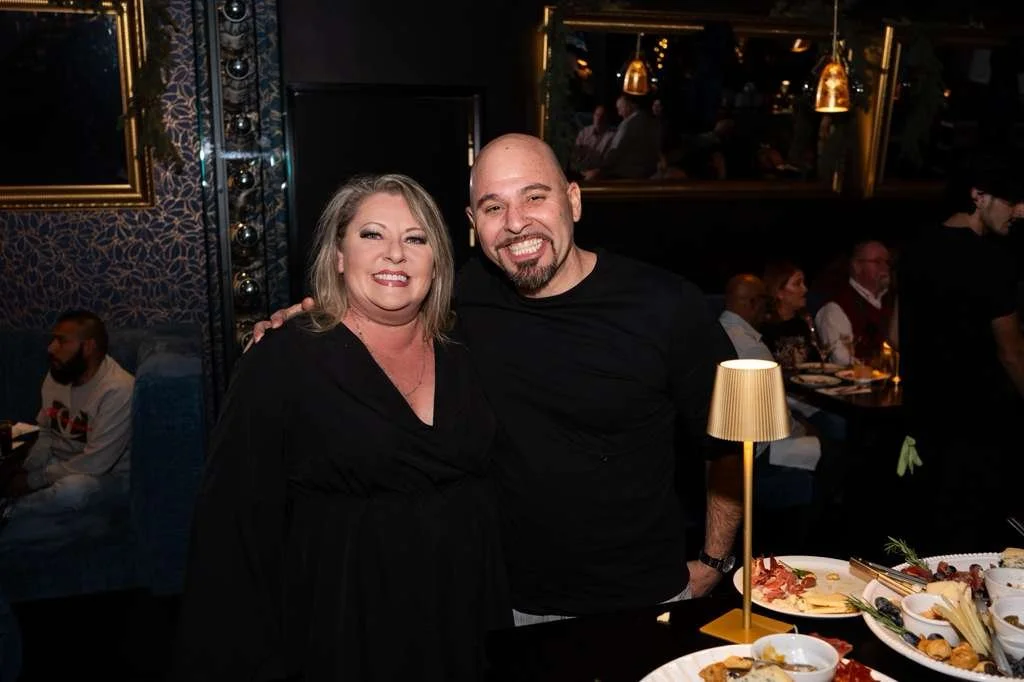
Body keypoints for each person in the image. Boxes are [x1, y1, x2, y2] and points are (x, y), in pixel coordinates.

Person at [255, 134, 742, 625]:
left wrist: (715, 560)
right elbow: (379, 309)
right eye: (493, 207)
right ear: (473, 225)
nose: (515, 222)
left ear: (573, 200)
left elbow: (729, 441)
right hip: (507, 603)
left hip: (646, 598)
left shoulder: (665, 304)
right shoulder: (462, 299)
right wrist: (304, 319)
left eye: (535, 196)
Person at [173, 174, 510, 681]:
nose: (395, 254)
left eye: (415, 239)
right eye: (372, 235)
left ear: (437, 261)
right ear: (337, 255)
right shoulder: (283, 360)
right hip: (343, 631)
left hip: (462, 621)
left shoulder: (468, 348)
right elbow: (231, 531)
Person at [898, 151, 1024, 553]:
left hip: (925, 418)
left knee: (930, 533)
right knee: (976, 538)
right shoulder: (993, 260)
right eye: (1011, 200)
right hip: (979, 421)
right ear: (978, 195)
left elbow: (896, 333)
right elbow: (1011, 352)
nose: (1019, 211)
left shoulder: (915, 248)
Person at [0, 311, 133, 538]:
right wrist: (28, 465)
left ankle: (11, 512)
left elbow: (96, 463)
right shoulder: (58, 374)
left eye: (61, 340)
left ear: (88, 346)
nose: (50, 348)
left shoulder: (118, 390)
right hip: (59, 462)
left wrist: (33, 480)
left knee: (74, 491)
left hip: (105, 476)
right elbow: (45, 430)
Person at [815, 241, 895, 366]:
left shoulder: (891, 300)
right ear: (857, 266)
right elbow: (843, 360)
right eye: (877, 262)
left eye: (887, 262)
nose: (885, 267)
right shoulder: (836, 307)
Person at [760, 262, 823, 369]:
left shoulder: (802, 323)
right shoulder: (764, 329)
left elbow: (816, 363)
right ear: (779, 292)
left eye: (804, 283)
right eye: (797, 284)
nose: (805, 289)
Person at [582, 95, 661, 180]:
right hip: (647, 173)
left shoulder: (627, 125)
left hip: (626, 175)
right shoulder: (649, 121)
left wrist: (599, 170)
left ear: (630, 105)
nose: (619, 113)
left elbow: (615, 152)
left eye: (620, 108)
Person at [570, 104, 615, 174]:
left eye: (602, 116)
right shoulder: (584, 132)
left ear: (607, 118)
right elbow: (575, 154)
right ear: (593, 116)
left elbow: (608, 162)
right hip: (579, 171)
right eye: (597, 115)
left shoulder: (611, 137)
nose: (599, 118)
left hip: (596, 174)